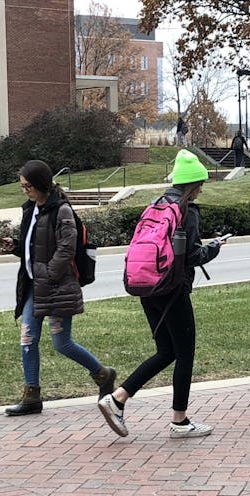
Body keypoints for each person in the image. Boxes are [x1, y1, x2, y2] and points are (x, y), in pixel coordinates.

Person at [98, 149, 227, 438]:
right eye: (201, 184)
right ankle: (179, 422)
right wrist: (215, 247)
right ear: (193, 185)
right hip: (172, 288)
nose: (202, 189)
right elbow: (192, 255)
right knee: (185, 353)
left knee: (167, 350)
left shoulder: (156, 204)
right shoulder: (187, 210)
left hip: (148, 284)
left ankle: (118, 399)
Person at [0, 160, 116, 416]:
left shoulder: (61, 210)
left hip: (56, 286)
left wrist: (50, 273)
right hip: (34, 286)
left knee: (62, 344)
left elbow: (67, 247)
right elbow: (34, 246)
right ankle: (32, 395)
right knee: (28, 339)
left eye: (28, 186)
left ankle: (103, 375)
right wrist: (16, 245)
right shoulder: (30, 209)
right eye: (22, 186)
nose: (25, 190)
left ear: (41, 184)